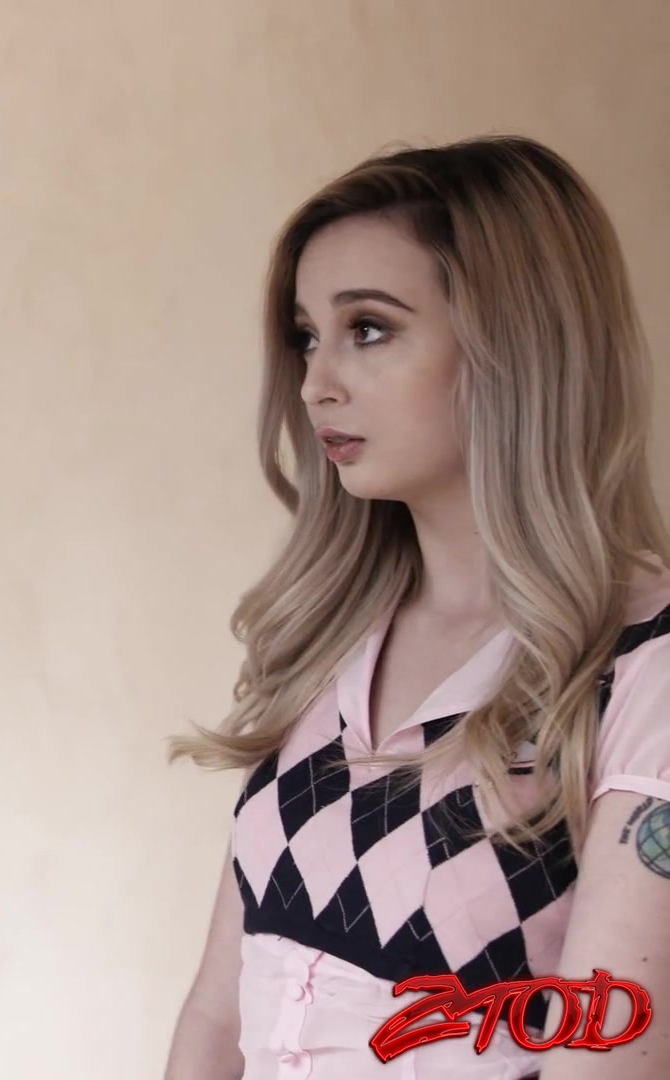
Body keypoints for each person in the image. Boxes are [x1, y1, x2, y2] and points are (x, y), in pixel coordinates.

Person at [162, 136, 670, 1079]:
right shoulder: (328, 632)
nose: (316, 382)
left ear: (515, 347)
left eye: (368, 329)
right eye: (307, 335)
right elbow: (215, 1014)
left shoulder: (644, 662)